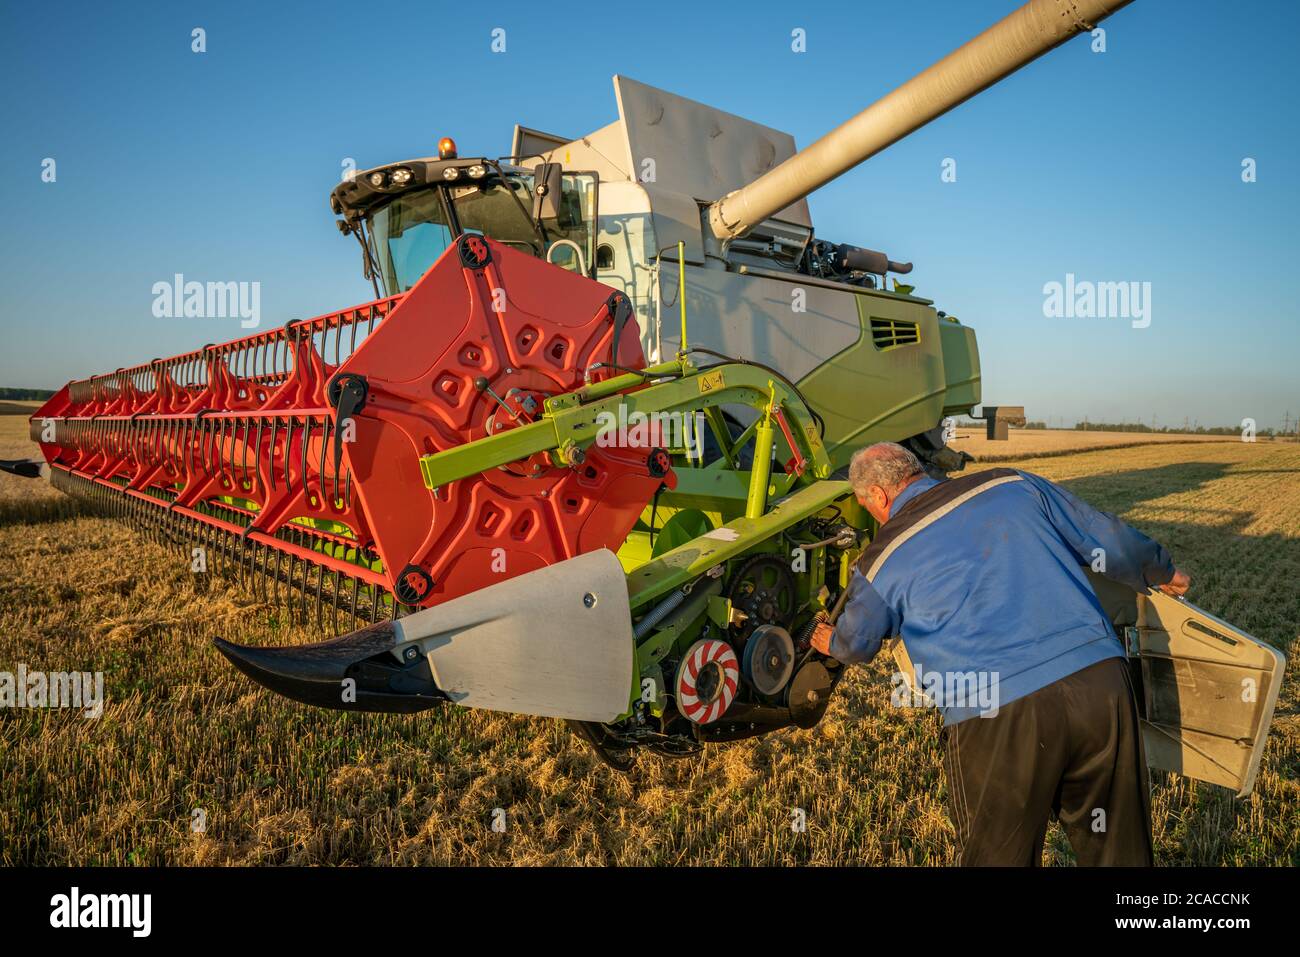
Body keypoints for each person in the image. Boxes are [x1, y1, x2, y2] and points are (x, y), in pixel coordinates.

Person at [810, 442, 1189, 866]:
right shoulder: (1011, 483)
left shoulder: (883, 556)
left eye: (868, 506)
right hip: (1099, 683)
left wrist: (830, 640)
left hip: (996, 711)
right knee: (1119, 851)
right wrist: (1161, 568)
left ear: (878, 497)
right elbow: (1102, 536)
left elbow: (858, 642)